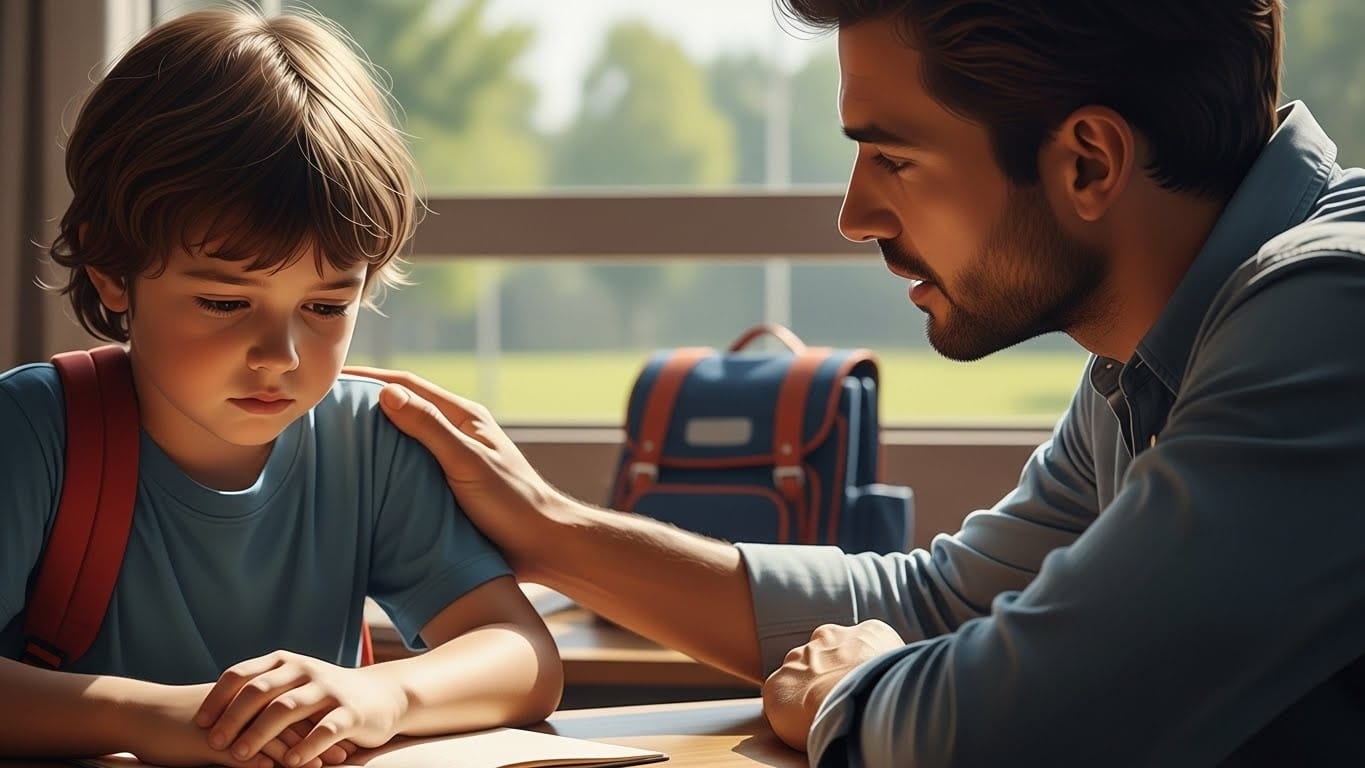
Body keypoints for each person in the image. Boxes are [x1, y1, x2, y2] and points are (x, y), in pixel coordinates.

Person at [356, 0, 1365, 765]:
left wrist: (856, 694)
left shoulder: (1332, 310)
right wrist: (546, 530)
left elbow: (1048, 720)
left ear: (1089, 163)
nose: (854, 215)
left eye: (891, 155)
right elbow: (942, 603)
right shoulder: (1143, 356)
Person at [0, 8, 562, 768]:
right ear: (111, 269)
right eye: (225, 303)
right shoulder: (33, 430)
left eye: (327, 307)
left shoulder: (371, 442)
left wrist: (383, 695)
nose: (281, 355)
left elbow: (521, 654)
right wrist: (149, 717)